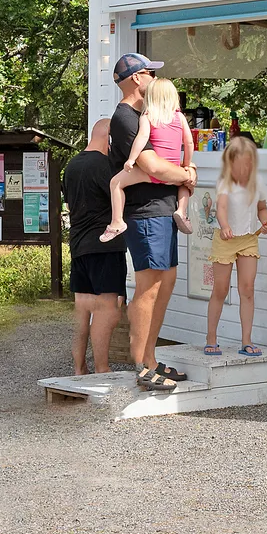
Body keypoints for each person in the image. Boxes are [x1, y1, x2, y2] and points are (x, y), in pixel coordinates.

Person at [108, 52, 197, 392]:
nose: (154, 79)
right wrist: (187, 175)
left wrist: (185, 173)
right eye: (149, 73)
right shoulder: (126, 118)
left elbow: (176, 152)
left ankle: (151, 357)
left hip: (164, 207)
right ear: (135, 79)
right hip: (145, 211)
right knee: (148, 286)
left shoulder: (156, 113)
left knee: (167, 280)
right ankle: (140, 364)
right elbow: (153, 165)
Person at [204, 136, 267, 357]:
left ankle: (246, 340)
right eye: (241, 163)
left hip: (248, 238)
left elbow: (261, 208)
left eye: (249, 163)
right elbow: (221, 208)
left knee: (247, 289)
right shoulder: (225, 183)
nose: (245, 168)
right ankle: (211, 337)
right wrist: (225, 225)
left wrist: (266, 222)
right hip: (226, 240)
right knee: (220, 289)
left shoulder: (257, 182)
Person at [62, 119, 127, 375]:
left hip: (78, 246)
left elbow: (70, 205)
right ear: (110, 138)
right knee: (107, 309)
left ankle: (79, 368)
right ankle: (102, 368)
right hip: (105, 246)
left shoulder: (72, 165)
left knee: (82, 309)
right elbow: (121, 199)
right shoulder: (106, 166)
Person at [101, 77, 194, 241]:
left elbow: (141, 138)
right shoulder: (180, 118)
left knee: (116, 183)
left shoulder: (147, 116)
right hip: (173, 169)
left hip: (152, 174)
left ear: (150, 97)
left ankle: (117, 222)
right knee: (185, 184)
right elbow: (189, 142)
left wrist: (131, 159)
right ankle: (182, 211)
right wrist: (186, 165)